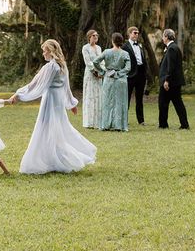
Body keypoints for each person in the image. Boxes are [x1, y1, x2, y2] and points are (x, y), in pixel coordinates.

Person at [9, 39, 96, 174]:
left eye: (44, 51)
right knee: (57, 129)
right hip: (58, 101)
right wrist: (71, 103)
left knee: (46, 128)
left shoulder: (51, 67)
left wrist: (18, 95)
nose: (43, 54)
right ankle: (53, 158)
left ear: (50, 51)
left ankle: (49, 161)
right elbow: (66, 87)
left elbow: (36, 85)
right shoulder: (62, 65)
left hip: (50, 101)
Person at [92, 32, 131, 131]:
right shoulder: (125, 54)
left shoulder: (106, 52)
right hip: (121, 80)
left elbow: (95, 62)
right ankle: (119, 125)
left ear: (112, 41)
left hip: (108, 78)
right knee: (120, 102)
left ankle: (106, 125)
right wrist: (119, 73)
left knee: (107, 101)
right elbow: (128, 68)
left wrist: (102, 71)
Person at [158, 29, 190, 130]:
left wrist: (167, 80)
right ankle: (184, 124)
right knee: (177, 103)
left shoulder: (171, 49)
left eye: (163, 36)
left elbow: (171, 66)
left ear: (166, 37)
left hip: (170, 82)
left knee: (163, 102)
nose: (162, 38)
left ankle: (163, 124)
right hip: (174, 81)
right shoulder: (174, 47)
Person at [122, 26, 148, 126]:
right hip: (130, 74)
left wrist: (146, 72)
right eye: (134, 33)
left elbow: (143, 59)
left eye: (137, 33)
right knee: (126, 98)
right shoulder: (125, 46)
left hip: (141, 74)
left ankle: (141, 120)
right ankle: (124, 120)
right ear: (129, 34)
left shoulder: (140, 46)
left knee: (139, 98)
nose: (136, 35)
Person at [81, 29, 103, 129]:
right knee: (90, 95)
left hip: (99, 74)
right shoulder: (85, 48)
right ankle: (89, 121)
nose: (95, 37)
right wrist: (95, 72)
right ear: (89, 37)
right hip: (90, 74)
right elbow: (88, 61)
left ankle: (98, 121)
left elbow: (102, 60)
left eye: (97, 35)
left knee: (98, 95)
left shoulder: (99, 48)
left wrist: (102, 71)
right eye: (94, 35)